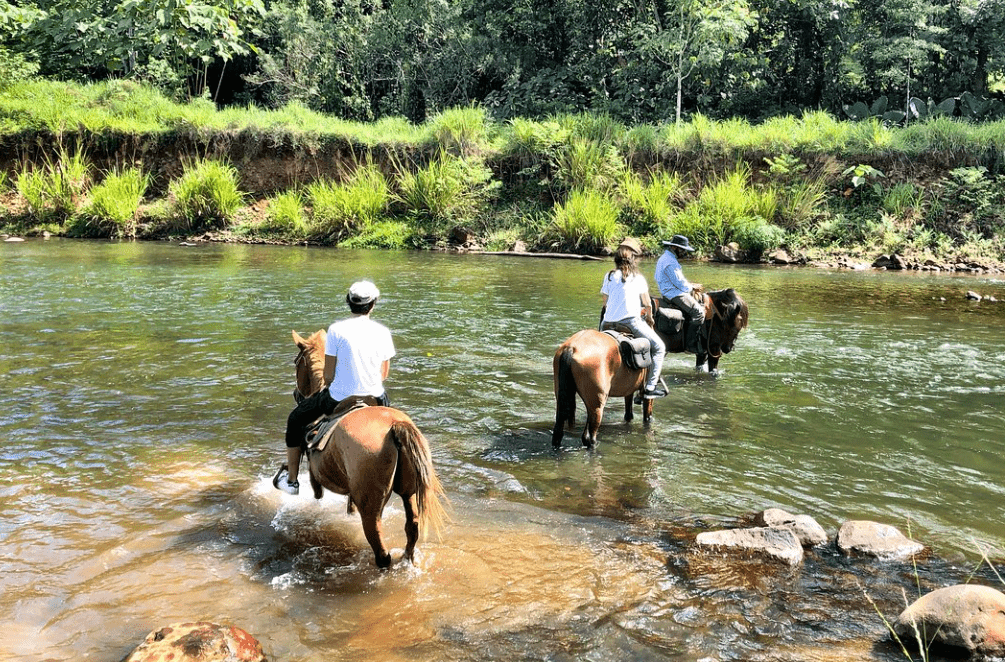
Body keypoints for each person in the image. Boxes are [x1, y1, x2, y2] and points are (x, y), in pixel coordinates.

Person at [274, 280, 395, 495]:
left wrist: (334, 384)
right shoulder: (383, 331)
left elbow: (328, 375)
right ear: (373, 304)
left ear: (349, 302)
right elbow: (383, 374)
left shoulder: (336, 330)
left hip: (339, 398)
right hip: (376, 397)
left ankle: (292, 481)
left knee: (295, 419)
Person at [601, 237, 667, 399]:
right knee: (659, 347)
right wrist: (650, 318)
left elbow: (605, 303)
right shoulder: (638, 278)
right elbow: (647, 304)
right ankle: (650, 387)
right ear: (634, 261)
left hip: (607, 323)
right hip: (630, 322)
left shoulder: (609, 276)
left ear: (616, 261)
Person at [654, 234, 705, 355]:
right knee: (699, 312)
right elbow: (679, 283)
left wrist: (689, 285)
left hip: (670, 291)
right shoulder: (670, 262)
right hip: (675, 294)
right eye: (683, 250)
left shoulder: (664, 258)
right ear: (676, 248)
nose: (684, 253)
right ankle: (690, 345)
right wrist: (692, 287)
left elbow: (675, 280)